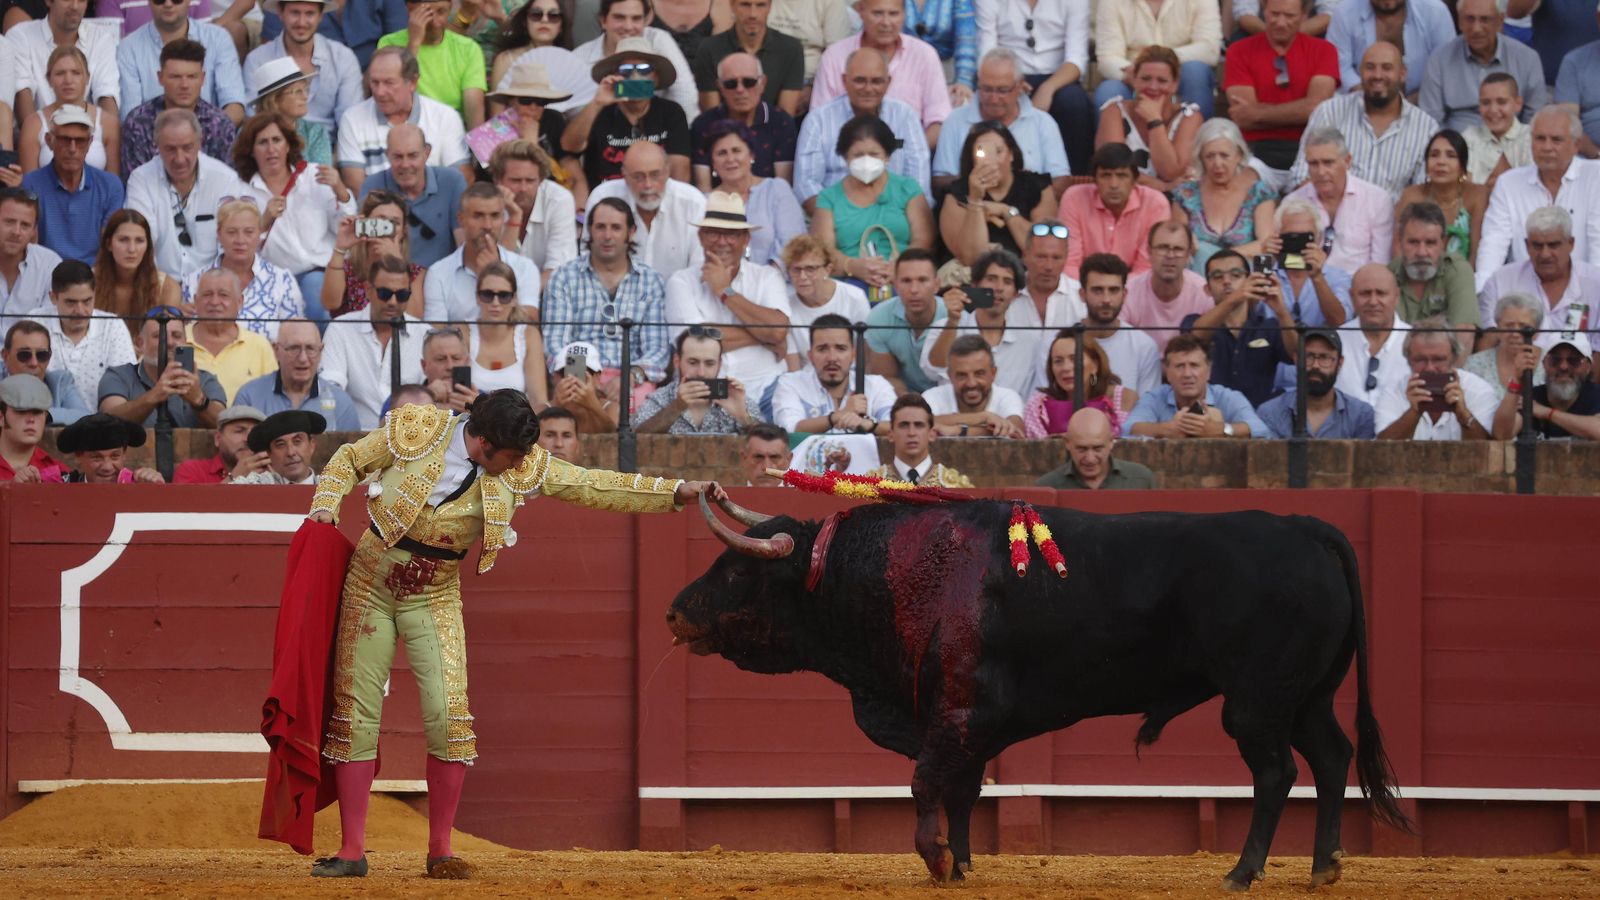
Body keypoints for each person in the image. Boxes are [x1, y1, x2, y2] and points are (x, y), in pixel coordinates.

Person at [303, 390, 720, 880]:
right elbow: (349, 458)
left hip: (434, 594)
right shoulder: (418, 428)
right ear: (483, 442)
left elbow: (591, 484)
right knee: (356, 714)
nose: (522, 464)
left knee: (449, 715)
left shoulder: (520, 461)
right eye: (513, 455)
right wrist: (325, 506)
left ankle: (440, 850)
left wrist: (675, 492)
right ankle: (352, 850)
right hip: (369, 584)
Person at [665, 190, 791, 403]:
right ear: (701, 237)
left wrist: (725, 291)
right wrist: (763, 336)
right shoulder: (681, 281)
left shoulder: (767, 276)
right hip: (708, 390)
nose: (722, 242)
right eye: (714, 233)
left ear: (746, 239)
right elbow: (695, 344)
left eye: (731, 234)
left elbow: (777, 331)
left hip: (768, 387)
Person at [234, 115, 354, 325]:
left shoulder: (314, 175)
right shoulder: (240, 191)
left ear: (288, 145)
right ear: (251, 150)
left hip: (321, 271)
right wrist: (263, 222)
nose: (271, 149)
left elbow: (344, 229)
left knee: (314, 292)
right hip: (272, 280)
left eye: (277, 140)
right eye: (262, 142)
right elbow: (237, 252)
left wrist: (341, 191)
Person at [541, 197, 670, 391]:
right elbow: (555, 344)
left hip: (634, 381)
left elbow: (657, 349)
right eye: (600, 227)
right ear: (590, 230)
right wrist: (585, 381)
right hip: (577, 378)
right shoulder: (564, 277)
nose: (607, 236)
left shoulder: (651, 281)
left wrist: (630, 377)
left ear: (631, 232)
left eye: (616, 228)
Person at [1288, 42, 1435, 202]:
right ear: (1360, 71)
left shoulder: (1425, 128)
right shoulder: (1329, 112)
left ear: (1402, 73)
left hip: (1393, 216)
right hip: (1329, 212)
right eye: (1370, 67)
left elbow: (1424, 192)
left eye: (1387, 68)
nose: (1377, 75)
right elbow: (1301, 176)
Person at [792, 46, 931, 211]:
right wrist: (847, 219)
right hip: (835, 218)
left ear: (888, 82)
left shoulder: (905, 116)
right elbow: (806, 186)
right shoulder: (818, 120)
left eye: (876, 81)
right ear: (844, 80)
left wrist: (891, 218)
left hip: (895, 216)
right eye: (860, 80)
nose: (868, 88)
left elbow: (918, 184)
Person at [1476, 106, 1600, 287]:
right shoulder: (1508, 183)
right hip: (1523, 293)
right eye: (1540, 139)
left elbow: (1598, 243)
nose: (1547, 147)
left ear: (1576, 145)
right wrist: (1484, 291)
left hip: (1585, 290)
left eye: (1556, 140)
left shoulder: (1596, 177)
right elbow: (1493, 243)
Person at [124, 109, 251, 280]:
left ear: (199, 143)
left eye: (187, 148)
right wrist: (163, 289)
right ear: (157, 146)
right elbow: (141, 240)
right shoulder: (141, 179)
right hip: (159, 284)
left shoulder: (225, 179)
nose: (180, 158)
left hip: (212, 284)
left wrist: (209, 290)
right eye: (170, 149)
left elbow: (231, 246)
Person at [1221, 0, 1338, 186]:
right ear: (1264, 11)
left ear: (1304, 16)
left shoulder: (1324, 50)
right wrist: (1300, 110)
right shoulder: (1239, 50)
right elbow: (1243, 117)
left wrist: (1258, 114)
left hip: (1309, 149)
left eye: (1289, 16)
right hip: (1254, 151)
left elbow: (1317, 108)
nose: (1281, 22)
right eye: (1275, 14)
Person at [810, 114, 934, 288]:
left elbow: (923, 241)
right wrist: (852, 266)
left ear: (887, 155)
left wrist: (899, 268)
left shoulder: (908, 189)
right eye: (858, 155)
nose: (866, 161)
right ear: (845, 157)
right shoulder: (829, 198)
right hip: (849, 285)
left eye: (874, 154)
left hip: (904, 283)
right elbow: (823, 251)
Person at [975, 0, 1096, 175]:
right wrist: (1012, 82)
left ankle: (1073, 178)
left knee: (1073, 103)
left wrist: (1048, 88)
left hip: (1058, 76)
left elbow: (1076, 58)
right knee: (995, 96)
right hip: (1007, 75)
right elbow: (987, 51)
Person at [931, 48, 1070, 198]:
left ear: (1020, 85)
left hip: (1030, 208)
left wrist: (1015, 187)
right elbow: (939, 182)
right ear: (978, 83)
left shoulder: (1043, 123)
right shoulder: (955, 120)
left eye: (1003, 90)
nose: (994, 98)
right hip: (970, 206)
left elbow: (1061, 182)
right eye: (986, 89)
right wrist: (977, 182)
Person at [811, 0, 952, 147]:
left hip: (909, 156)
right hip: (842, 155)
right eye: (877, 13)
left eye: (893, 14)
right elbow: (820, 123)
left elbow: (939, 123)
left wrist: (906, 152)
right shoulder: (834, 56)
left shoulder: (924, 55)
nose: (886, 22)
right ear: (861, 11)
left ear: (904, 15)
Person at [336, 46, 471, 194]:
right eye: (374, 82)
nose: (379, 92)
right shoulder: (352, 119)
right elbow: (358, 189)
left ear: (412, 82)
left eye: (389, 83)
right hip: (377, 207)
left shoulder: (444, 117)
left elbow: (461, 181)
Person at [562, 35, 692, 186]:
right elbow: (569, 146)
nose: (635, 76)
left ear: (656, 78)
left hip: (655, 193)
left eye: (644, 69)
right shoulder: (598, 112)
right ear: (614, 76)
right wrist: (596, 103)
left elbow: (680, 172)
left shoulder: (671, 112)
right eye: (626, 70)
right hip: (608, 196)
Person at [320, 255, 428, 428]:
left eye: (402, 295)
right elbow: (331, 390)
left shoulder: (424, 334)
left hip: (411, 437)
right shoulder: (341, 328)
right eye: (385, 293)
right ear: (368, 289)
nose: (393, 302)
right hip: (354, 438)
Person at [1183, 247, 1298, 406]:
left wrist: (1282, 311)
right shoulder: (1194, 321)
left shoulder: (1269, 327)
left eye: (1236, 275)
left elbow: (1296, 355)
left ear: (1249, 281)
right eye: (1218, 276)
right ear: (1207, 289)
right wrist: (1235, 298)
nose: (1226, 281)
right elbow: (1192, 340)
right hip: (1209, 414)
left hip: (1259, 416)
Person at [182, 200, 305, 343]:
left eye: (249, 232)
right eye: (232, 232)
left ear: (259, 233)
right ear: (219, 234)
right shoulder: (195, 280)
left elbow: (295, 336)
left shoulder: (282, 281)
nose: (240, 240)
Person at [244, 0, 364, 145]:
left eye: (309, 14)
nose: (301, 22)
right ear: (280, 13)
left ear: (320, 16)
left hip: (332, 149)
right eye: (295, 13)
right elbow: (254, 121)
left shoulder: (343, 58)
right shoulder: (257, 60)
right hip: (275, 150)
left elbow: (349, 123)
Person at [923, 249, 1040, 398]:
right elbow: (933, 369)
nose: (998, 288)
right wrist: (953, 321)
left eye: (1007, 281)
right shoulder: (944, 326)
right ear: (975, 285)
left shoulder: (1030, 340)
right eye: (991, 279)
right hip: (954, 412)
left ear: (1016, 294)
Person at [939, 119, 1058, 266]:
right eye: (982, 152)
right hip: (973, 275)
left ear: (1011, 154)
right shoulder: (956, 194)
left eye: (998, 151)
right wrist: (975, 201)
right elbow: (971, 258)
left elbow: (1043, 250)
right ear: (972, 158)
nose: (992, 160)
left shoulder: (1037, 186)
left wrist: (1006, 211)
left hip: (1025, 272)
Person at [1169, 119, 1278, 275]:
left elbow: (1266, 245)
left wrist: (1220, 258)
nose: (1217, 164)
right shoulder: (1185, 195)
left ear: (1239, 155)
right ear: (1200, 158)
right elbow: (1179, 242)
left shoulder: (1259, 193)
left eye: (1224, 155)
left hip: (1245, 277)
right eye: (1210, 156)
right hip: (1199, 277)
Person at [423, 182, 544, 323]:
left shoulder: (525, 268)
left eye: (495, 216)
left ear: (503, 219)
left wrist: (495, 276)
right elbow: (436, 332)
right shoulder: (439, 273)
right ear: (461, 219)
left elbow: (529, 326)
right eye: (478, 216)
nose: (487, 225)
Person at [1419, 0, 1547, 134]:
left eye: (1485, 19)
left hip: (1512, 142)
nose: (1476, 28)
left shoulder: (1527, 59)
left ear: (1500, 21)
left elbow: (1535, 119)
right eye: (1470, 19)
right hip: (1457, 142)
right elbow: (1431, 122)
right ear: (1460, 22)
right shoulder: (1440, 60)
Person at [584, 141, 707, 276]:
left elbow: (700, 269)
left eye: (655, 175)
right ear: (624, 175)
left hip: (679, 289)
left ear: (667, 171)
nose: (648, 185)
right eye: (638, 177)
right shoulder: (602, 198)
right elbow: (588, 263)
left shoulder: (693, 203)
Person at [22, 105, 123, 267]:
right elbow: (31, 246)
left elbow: (109, 246)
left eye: (80, 141)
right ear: (49, 140)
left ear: (90, 143)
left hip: (95, 274)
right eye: (64, 139)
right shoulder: (31, 184)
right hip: (46, 273)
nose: (72, 149)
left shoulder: (110, 186)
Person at [1478, 206, 1600, 338]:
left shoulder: (1595, 283)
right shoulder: (1500, 282)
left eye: (1553, 245)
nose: (1545, 254)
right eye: (1537, 245)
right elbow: (1489, 342)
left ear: (1571, 243)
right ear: (1527, 245)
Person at [116, 0, 246, 123]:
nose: (168, 4)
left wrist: (209, 133)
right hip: (151, 137)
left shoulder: (218, 38)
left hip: (213, 136)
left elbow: (234, 106)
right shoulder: (129, 48)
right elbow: (131, 116)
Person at [120, 39, 239, 174]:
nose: (184, 85)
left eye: (192, 77)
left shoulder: (220, 124)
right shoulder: (138, 122)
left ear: (202, 78)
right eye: (175, 77)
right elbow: (134, 179)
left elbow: (227, 179)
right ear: (160, 77)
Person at [1093, 45, 1203, 191]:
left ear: (1175, 84)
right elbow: (1114, 168)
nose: (1153, 86)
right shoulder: (1114, 111)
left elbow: (1171, 172)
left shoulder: (1190, 117)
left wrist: (1154, 121)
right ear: (1134, 79)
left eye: (1162, 80)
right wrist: (1162, 186)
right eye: (1145, 79)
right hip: (1124, 196)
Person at [97, 306, 227, 428]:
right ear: (140, 343)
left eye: (176, 335)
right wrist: (155, 395)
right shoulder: (118, 376)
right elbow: (108, 423)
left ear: (185, 342)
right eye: (158, 336)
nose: (169, 342)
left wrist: (199, 400)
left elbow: (226, 425)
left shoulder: (204, 380)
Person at [570, 0, 700, 120]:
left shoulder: (658, 40)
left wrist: (682, 131)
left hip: (657, 131)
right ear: (603, 21)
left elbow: (685, 94)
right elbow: (572, 113)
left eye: (636, 18)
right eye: (619, 17)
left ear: (646, 20)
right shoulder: (580, 58)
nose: (628, 26)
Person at [359, 123, 467, 267]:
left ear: (426, 153)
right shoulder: (373, 186)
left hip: (443, 276)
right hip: (390, 274)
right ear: (387, 155)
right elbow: (365, 249)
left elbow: (464, 245)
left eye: (412, 156)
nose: (405, 164)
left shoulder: (452, 181)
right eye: (398, 157)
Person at [1124, 333, 1271, 438]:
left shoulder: (1228, 397)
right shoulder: (1154, 398)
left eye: (1194, 365)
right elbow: (1127, 429)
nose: (1187, 374)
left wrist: (1220, 429)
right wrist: (1166, 429)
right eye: (1179, 366)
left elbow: (1261, 430)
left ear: (1209, 371)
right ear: (1167, 373)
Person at [1057, 142, 1170, 279]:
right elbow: (1069, 264)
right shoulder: (1074, 198)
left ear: (1135, 180)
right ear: (1095, 180)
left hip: (1135, 286)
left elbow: (1146, 268)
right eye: (1106, 175)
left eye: (1121, 176)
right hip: (1082, 285)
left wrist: (1114, 288)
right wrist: (1093, 288)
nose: (1114, 185)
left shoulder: (1155, 204)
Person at [1286, 129, 1393, 273]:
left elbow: (1381, 264)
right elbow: (1289, 263)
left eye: (1328, 163)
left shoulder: (1377, 200)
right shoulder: (1292, 203)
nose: (1321, 172)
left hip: (1359, 284)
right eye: (1313, 164)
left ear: (1347, 161)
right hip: (1310, 282)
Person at [700, 119, 804, 266]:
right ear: (713, 163)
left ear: (751, 155)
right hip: (721, 278)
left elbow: (793, 244)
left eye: (736, 150)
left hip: (777, 277)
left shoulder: (776, 190)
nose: (730, 159)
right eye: (722, 153)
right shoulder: (704, 202)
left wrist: (766, 278)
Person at [771, 312, 896, 434]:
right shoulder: (791, 384)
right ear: (810, 356)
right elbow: (789, 431)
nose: (832, 358)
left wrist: (868, 425)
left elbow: (896, 428)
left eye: (841, 348)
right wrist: (837, 417)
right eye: (822, 349)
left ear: (853, 355)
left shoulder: (877, 386)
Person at [1374, 317, 1497, 439]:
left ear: (1454, 359)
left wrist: (1463, 415)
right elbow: (1383, 446)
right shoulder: (1394, 391)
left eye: (1438, 360)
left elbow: (1488, 448)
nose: (1430, 368)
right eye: (1420, 360)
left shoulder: (1478, 391)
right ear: (1409, 361)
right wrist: (1413, 412)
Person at [690, 52, 800, 189]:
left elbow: (784, 186)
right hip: (717, 200)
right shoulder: (704, 124)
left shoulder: (780, 122)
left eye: (749, 82)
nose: (740, 89)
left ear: (762, 83)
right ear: (720, 87)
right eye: (731, 84)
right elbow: (703, 188)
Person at [1094, 0, 1220, 118]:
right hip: (1133, 76)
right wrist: (1137, 73)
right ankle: (1113, 135)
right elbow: (1108, 57)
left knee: (1195, 72)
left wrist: (1162, 62)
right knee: (1109, 91)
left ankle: (1193, 131)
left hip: (1179, 73)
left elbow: (1210, 49)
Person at [35, 259, 136, 404]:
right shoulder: (36, 322)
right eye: (71, 302)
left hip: (104, 418)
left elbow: (127, 386)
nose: (80, 311)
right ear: (53, 298)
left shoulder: (113, 326)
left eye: (87, 301)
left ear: (95, 295)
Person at [376, 0, 488, 127]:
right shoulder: (388, 44)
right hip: (406, 127)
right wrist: (414, 43)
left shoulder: (468, 49)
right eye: (426, 14)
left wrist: (476, 139)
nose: (435, 22)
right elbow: (393, 95)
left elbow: (473, 108)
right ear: (409, 10)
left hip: (452, 129)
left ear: (450, 8)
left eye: (441, 12)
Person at [235, 318, 363, 429]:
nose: (303, 358)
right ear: (276, 351)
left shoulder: (340, 403)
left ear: (321, 352)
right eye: (294, 348)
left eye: (310, 348)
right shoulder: (250, 397)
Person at [11, 0, 120, 127]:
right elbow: (22, 95)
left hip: (90, 136)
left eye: (81, 0)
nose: (75, 6)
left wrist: (105, 136)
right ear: (48, 1)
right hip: (37, 136)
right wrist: (38, 137)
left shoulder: (101, 38)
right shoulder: (21, 36)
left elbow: (107, 94)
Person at [322, 192, 430, 318]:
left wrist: (396, 262)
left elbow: (414, 318)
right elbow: (330, 304)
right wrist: (339, 248)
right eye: (380, 221)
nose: (386, 228)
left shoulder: (415, 272)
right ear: (365, 223)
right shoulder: (346, 267)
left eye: (394, 223)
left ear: (403, 231)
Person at [1255, 329, 1377, 438]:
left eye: (1325, 357)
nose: (1315, 365)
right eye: (1309, 356)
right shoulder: (1270, 413)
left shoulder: (1360, 415)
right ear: (1296, 359)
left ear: (1340, 363)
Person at [635, 325, 758, 433]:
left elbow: (767, 442)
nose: (701, 373)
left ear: (719, 365)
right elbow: (635, 440)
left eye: (709, 364)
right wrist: (676, 407)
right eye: (693, 363)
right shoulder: (659, 399)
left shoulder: (736, 398)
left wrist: (743, 418)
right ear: (677, 361)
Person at [183, 267, 279, 403]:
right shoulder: (177, 341)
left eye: (223, 295)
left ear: (239, 302)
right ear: (196, 301)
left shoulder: (259, 346)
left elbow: (273, 399)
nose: (214, 302)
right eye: (207, 295)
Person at [691, 0, 804, 115]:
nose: (753, 14)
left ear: (770, 7)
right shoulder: (710, 49)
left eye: (760, 5)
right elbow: (711, 116)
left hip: (773, 126)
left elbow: (785, 117)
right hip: (722, 126)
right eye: (745, 5)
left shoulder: (791, 49)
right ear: (732, 5)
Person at [20, 47, 118, 178]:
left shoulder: (108, 122)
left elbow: (114, 181)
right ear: (48, 79)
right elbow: (29, 183)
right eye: (60, 73)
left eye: (76, 73)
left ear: (87, 78)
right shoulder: (33, 123)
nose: (68, 80)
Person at [1391, 131, 1488, 264]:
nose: (1441, 162)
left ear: (1462, 167)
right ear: (1426, 165)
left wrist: (1466, 276)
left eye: (1451, 155)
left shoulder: (1477, 195)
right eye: (1434, 155)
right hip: (1415, 271)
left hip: (1462, 273)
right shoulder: (1412, 195)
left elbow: (1477, 251)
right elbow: (1398, 248)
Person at [1326, 0, 1454, 99]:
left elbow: (1445, 69)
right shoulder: (1344, 12)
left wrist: (1408, 106)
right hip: (1361, 100)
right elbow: (1339, 66)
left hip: (1425, 102)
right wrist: (1376, 101)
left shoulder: (1435, 11)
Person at [494, 140, 578, 287]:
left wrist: (523, 296)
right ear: (498, 180)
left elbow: (559, 271)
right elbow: (496, 269)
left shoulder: (559, 200)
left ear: (541, 180)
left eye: (530, 181)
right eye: (515, 180)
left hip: (548, 293)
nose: (523, 188)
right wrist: (514, 216)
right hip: (499, 293)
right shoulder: (487, 204)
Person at [1022, 329, 1136, 437]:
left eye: (1075, 359)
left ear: (1095, 365)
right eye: (1058, 361)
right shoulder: (1038, 405)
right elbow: (1039, 448)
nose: (1066, 368)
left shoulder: (1122, 398)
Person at [1388, 201, 1479, 334]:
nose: (1421, 252)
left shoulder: (1457, 270)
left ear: (1443, 242)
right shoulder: (1388, 276)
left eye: (1430, 243)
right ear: (1399, 240)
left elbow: (1464, 332)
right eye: (1413, 242)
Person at [1121, 221, 1212, 353]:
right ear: (1149, 252)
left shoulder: (1204, 292)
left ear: (1188, 255)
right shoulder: (1129, 291)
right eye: (1162, 248)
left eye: (1178, 249)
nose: (1170, 256)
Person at [864, 248, 946, 393]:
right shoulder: (879, 318)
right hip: (903, 398)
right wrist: (912, 403)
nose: (914, 289)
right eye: (906, 281)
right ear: (895, 285)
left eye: (922, 280)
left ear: (937, 285)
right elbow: (886, 379)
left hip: (949, 395)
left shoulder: (955, 316)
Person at [1077, 252, 1161, 393]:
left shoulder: (1144, 347)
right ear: (1082, 294)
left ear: (1124, 294)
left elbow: (1148, 404)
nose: (1106, 299)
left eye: (1113, 290)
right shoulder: (1057, 343)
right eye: (1097, 290)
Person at [1492, 331, 1600, 440]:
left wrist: (1547, 413)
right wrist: (1516, 379)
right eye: (1555, 360)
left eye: (1574, 360)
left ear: (1588, 367)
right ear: (1544, 364)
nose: (1563, 366)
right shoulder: (1531, 397)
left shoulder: (1596, 395)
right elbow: (1501, 435)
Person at [463, 261, 547, 401]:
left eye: (504, 296)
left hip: (518, 415)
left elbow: (539, 400)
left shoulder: (529, 335)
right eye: (487, 295)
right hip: (470, 414)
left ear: (514, 299)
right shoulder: (463, 332)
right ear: (477, 297)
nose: (495, 303)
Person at [1267, 198, 1355, 331]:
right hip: (1272, 342)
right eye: (1291, 237)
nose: (1298, 244)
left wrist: (1317, 277)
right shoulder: (1267, 273)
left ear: (1319, 239)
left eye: (1305, 237)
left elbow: (1339, 322)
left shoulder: (1337, 277)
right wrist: (1265, 260)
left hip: (1322, 343)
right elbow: (1248, 314)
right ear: (1277, 237)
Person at [781, 233, 869, 366]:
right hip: (806, 377)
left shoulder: (854, 297)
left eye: (810, 269)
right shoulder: (785, 307)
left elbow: (866, 354)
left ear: (828, 270)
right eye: (796, 270)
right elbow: (794, 367)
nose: (802, 276)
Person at [470, 58, 572, 171]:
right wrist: (529, 143)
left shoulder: (554, 120)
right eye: (526, 100)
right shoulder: (491, 134)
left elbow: (567, 162)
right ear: (511, 102)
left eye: (540, 101)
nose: (533, 107)